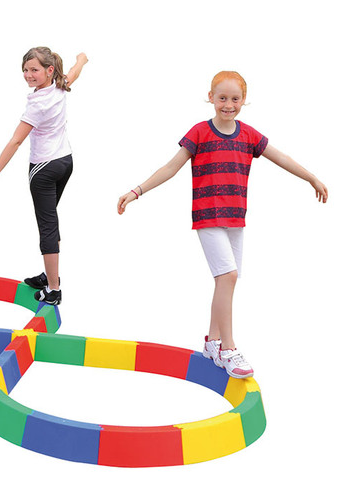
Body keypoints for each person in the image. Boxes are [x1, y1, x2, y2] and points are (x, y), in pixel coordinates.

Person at [117, 71, 328, 378]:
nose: (228, 105)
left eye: (235, 99)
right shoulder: (200, 133)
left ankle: (212, 342)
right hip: (208, 216)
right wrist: (136, 191)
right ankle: (228, 348)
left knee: (228, 280)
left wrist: (311, 178)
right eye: (222, 98)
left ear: (244, 100)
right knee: (227, 275)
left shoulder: (249, 135)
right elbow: (171, 167)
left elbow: (280, 157)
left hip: (235, 218)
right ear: (211, 98)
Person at [0, 47, 88, 305]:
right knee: (51, 219)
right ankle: (51, 274)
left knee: (46, 226)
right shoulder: (60, 85)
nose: (28, 75)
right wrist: (82, 59)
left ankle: (53, 290)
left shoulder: (38, 105)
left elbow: (16, 141)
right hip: (65, 161)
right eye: (25, 70)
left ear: (49, 70)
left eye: (34, 70)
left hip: (44, 168)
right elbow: (74, 72)